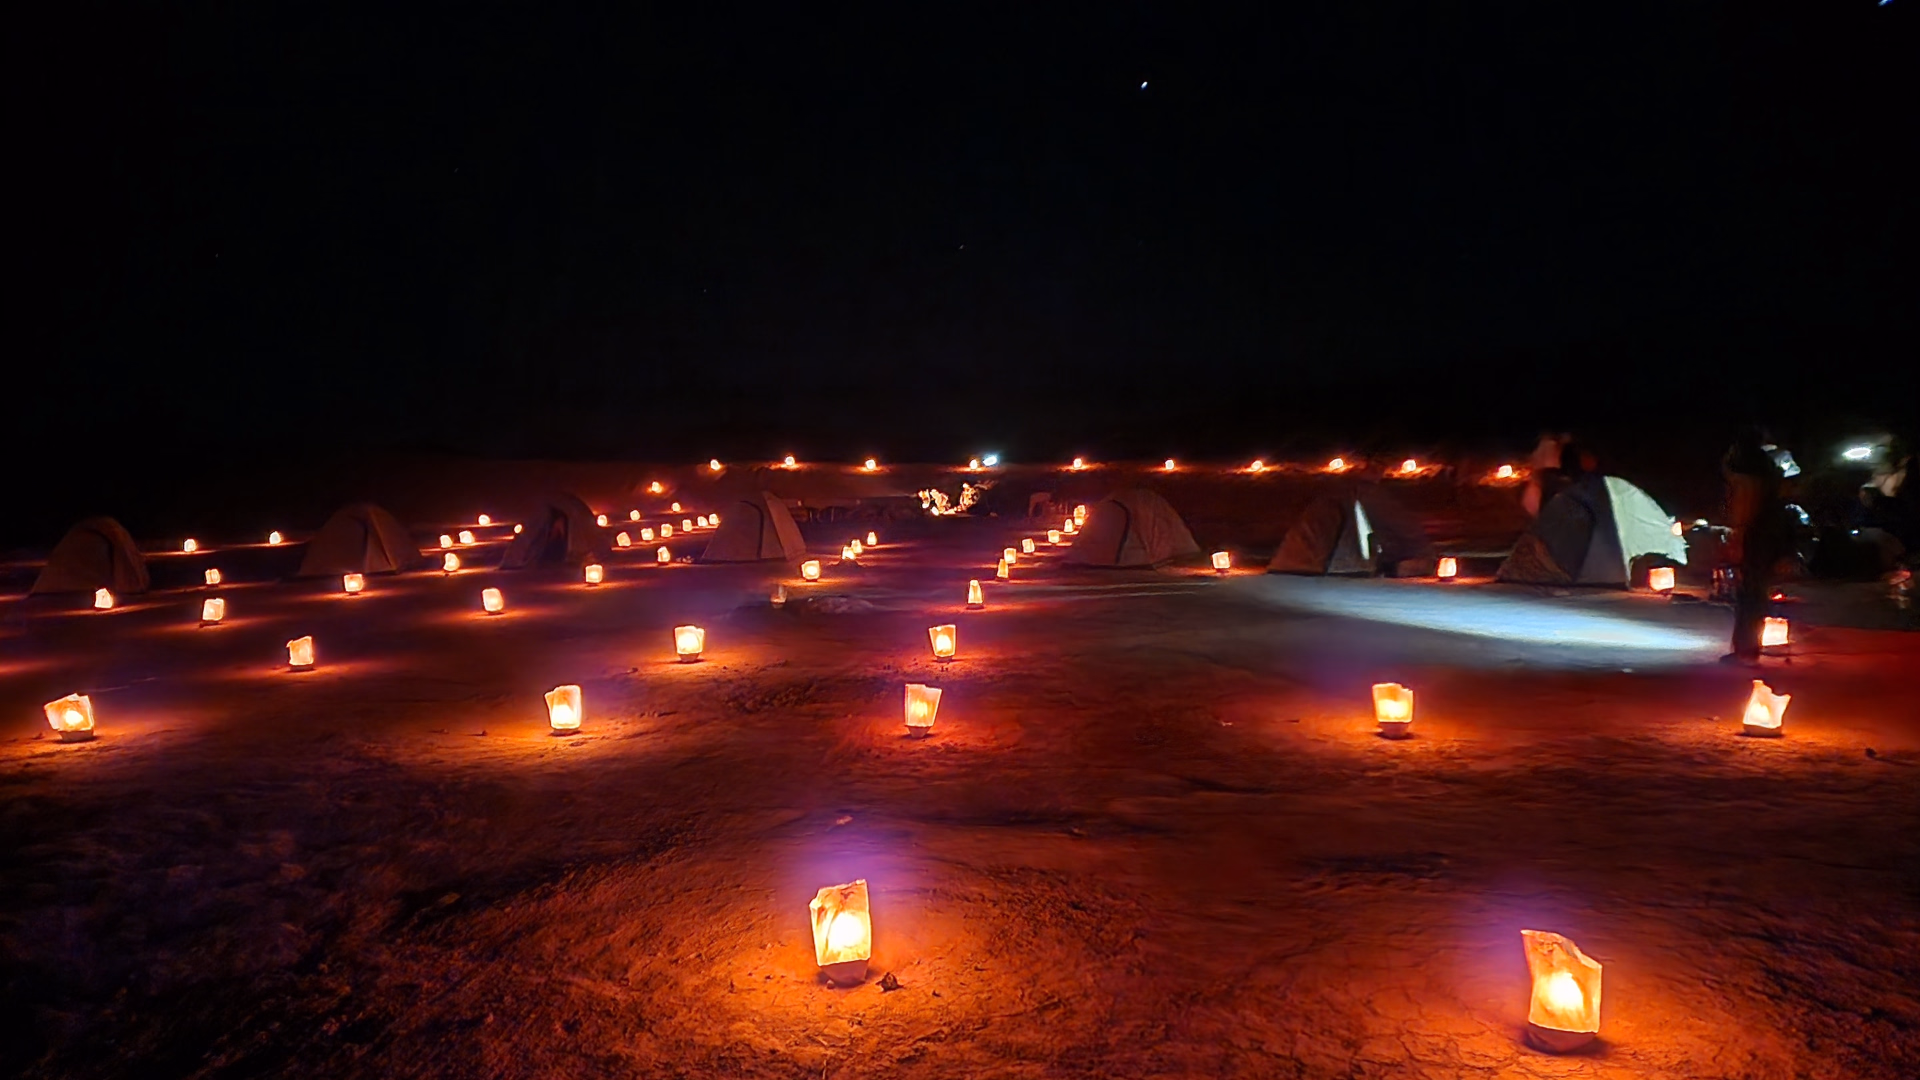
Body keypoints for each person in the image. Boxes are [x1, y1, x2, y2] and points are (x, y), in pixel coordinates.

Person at [1722, 426, 1793, 662]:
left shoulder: (1746, 472)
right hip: (1770, 531)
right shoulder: (1767, 468)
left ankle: (1745, 651)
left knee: (1750, 593)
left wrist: (1739, 536)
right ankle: (1748, 649)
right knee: (1756, 592)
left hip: (1757, 534)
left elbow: (1745, 505)